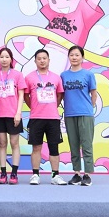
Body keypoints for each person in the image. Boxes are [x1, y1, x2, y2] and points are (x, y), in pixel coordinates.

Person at [24, 49, 67, 186]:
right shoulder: (29, 77)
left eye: (44, 58)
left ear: (49, 60)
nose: (42, 61)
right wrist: (34, 107)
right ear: (35, 61)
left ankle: (55, 175)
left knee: (54, 147)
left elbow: (60, 94)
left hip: (53, 118)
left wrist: (53, 106)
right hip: (36, 118)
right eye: (39, 59)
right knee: (36, 147)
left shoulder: (56, 77)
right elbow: (26, 96)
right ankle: (35, 175)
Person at [60, 45, 97, 187]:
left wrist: (89, 107)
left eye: (77, 55)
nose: (74, 57)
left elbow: (93, 94)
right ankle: (76, 174)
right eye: (72, 55)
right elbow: (61, 94)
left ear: (82, 57)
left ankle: (87, 175)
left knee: (86, 145)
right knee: (73, 145)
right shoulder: (64, 75)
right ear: (68, 57)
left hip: (85, 114)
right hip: (69, 114)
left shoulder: (88, 75)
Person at [0, 47, 26, 185]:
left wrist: (18, 113)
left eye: (7, 57)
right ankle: (3, 173)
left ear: (11, 59)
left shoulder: (17, 75)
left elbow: (21, 95)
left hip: (13, 115)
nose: (4, 59)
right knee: (2, 143)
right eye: (1, 57)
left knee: (14, 143)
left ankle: (14, 173)